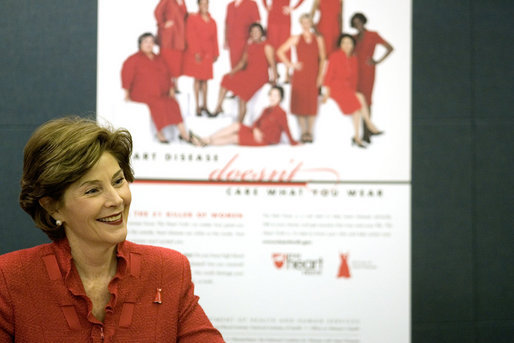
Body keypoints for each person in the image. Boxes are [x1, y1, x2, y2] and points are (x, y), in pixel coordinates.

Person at [0, 117, 225, 341]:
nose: (116, 199)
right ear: (53, 207)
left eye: (118, 181)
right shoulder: (9, 279)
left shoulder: (167, 271)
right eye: (93, 191)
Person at [121, 33, 202, 145]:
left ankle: (184, 134)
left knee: (172, 102)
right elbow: (126, 75)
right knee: (157, 104)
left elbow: (167, 74)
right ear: (140, 44)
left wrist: (171, 88)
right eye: (146, 41)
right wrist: (126, 93)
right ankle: (160, 133)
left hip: (160, 93)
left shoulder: (159, 58)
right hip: (141, 93)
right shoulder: (133, 59)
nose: (149, 44)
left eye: (151, 41)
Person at [322, 33, 383, 148]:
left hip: (348, 89)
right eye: (343, 42)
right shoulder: (335, 56)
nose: (346, 45)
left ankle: (356, 137)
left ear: (353, 45)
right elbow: (328, 75)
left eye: (349, 43)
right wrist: (327, 92)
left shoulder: (354, 58)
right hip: (336, 88)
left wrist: (352, 91)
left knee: (357, 106)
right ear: (340, 44)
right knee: (359, 97)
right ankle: (369, 124)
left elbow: (355, 77)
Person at [212, 23, 277, 123]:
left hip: (260, 76)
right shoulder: (249, 45)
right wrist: (232, 72)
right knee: (226, 78)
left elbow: (273, 64)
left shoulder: (267, 46)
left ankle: (239, 124)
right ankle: (218, 106)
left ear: (261, 33)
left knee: (242, 96)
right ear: (250, 33)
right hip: (247, 73)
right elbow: (242, 62)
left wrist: (274, 79)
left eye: (257, 31)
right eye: (253, 32)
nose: (255, 33)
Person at [277, 13, 326, 143]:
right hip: (300, 75)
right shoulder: (296, 38)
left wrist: (320, 76)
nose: (305, 25)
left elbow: (322, 59)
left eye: (308, 22)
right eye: (303, 22)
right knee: (299, 103)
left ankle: (310, 132)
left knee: (311, 104)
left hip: (313, 74)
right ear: (300, 24)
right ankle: (303, 132)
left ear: (311, 23)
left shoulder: (318, 39)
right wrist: (290, 64)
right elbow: (280, 51)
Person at [203, 85, 297, 146]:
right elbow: (256, 122)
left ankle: (207, 142)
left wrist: (294, 143)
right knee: (236, 126)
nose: (272, 98)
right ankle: (208, 138)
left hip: (264, 140)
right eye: (271, 95)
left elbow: (286, 129)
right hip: (256, 132)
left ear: (280, 98)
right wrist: (255, 129)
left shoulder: (281, 113)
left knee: (234, 137)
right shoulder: (266, 110)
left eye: (276, 96)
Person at [351, 12, 393, 143]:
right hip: (354, 72)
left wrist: (377, 61)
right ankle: (364, 131)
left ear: (363, 21)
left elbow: (390, 48)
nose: (358, 25)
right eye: (355, 23)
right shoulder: (353, 37)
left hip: (368, 71)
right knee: (358, 101)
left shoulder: (373, 35)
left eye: (359, 22)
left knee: (367, 100)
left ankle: (367, 132)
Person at [183, 0, 219, 117]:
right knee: (198, 79)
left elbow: (215, 38)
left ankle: (205, 105)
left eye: (206, 4)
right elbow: (190, 35)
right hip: (197, 52)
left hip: (208, 53)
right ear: (198, 5)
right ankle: (197, 106)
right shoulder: (193, 18)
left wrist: (216, 53)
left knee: (206, 80)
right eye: (202, 4)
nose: (205, 6)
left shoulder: (212, 21)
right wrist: (196, 52)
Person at [261, 0, 305, 83]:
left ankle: (287, 74)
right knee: (272, 44)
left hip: (285, 17)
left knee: (285, 45)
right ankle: (274, 74)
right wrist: (265, 6)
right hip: (272, 17)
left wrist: (293, 8)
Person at [154, 0, 188, 92]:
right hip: (168, 37)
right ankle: (165, 86)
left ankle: (175, 86)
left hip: (179, 36)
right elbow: (157, 11)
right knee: (165, 61)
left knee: (177, 62)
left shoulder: (182, 1)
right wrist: (162, 24)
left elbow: (185, 15)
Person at [224, 0, 261, 69]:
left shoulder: (252, 4)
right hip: (232, 42)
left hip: (246, 41)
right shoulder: (230, 6)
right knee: (234, 66)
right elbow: (227, 24)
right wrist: (225, 40)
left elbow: (257, 23)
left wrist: (253, 39)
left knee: (246, 66)